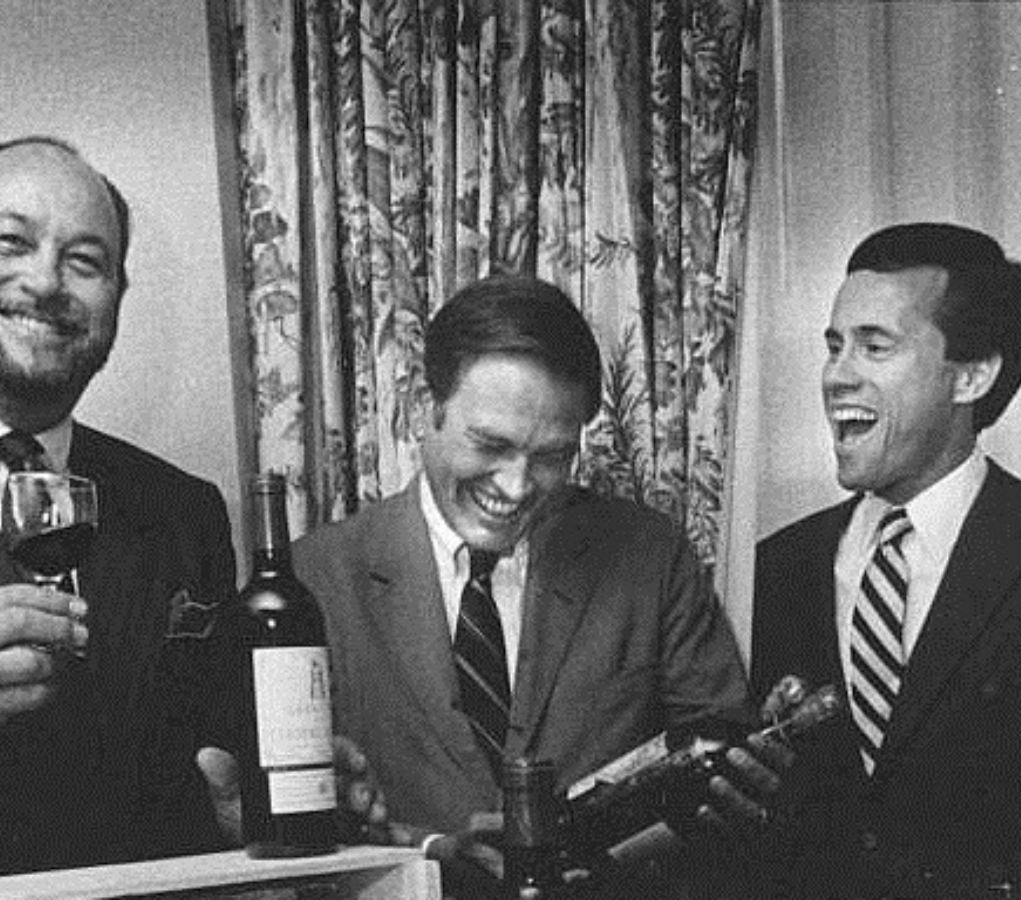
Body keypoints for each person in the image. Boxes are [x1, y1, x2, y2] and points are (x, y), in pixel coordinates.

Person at [0, 136, 381, 896]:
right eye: (12, 242)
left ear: (116, 301)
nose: (46, 281)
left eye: (85, 261)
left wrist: (239, 814)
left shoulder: (180, 510)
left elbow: (164, 794)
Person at [292, 275, 782, 896]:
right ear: (424, 406)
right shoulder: (314, 579)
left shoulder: (652, 556)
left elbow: (723, 773)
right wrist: (429, 851)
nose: (518, 486)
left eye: (553, 456)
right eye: (491, 445)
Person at [751, 222, 1021, 897]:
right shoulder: (776, 568)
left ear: (973, 375)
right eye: (834, 346)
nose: (837, 376)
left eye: (875, 346)